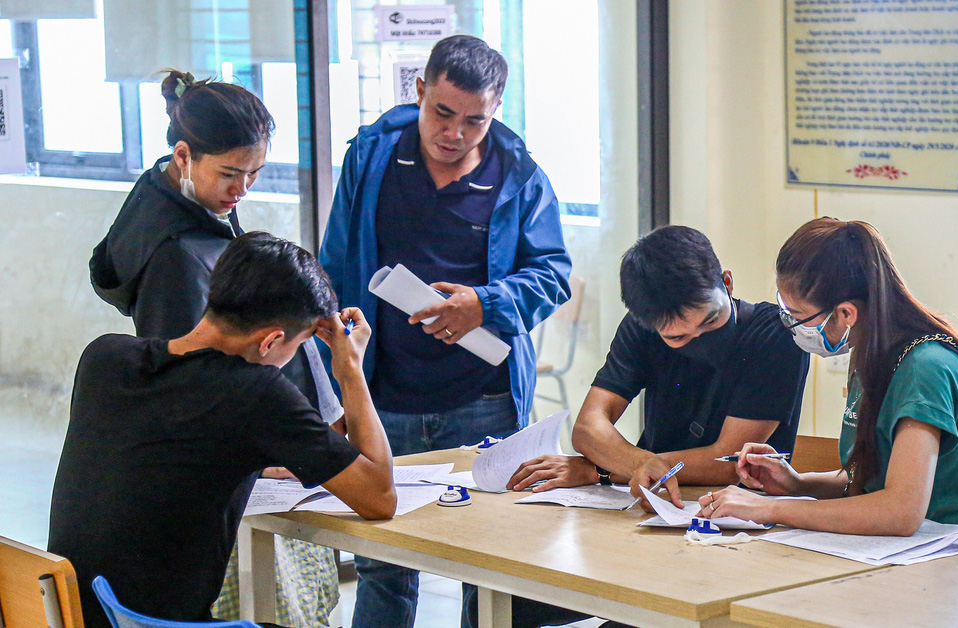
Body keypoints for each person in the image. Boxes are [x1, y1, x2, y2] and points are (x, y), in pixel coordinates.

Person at [318, 35, 571, 627]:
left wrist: (485, 304)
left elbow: (553, 274)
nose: (455, 132)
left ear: (496, 109)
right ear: (420, 91)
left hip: (484, 400)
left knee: (488, 566)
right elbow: (334, 264)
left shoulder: (521, 174)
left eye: (475, 120)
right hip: (384, 397)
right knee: (383, 564)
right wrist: (336, 381)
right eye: (443, 113)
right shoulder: (371, 156)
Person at [87, 70, 345, 623]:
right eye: (231, 173)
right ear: (183, 155)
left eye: (254, 172)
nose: (243, 189)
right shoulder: (176, 254)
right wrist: (267, 441)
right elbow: (199, 392)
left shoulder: (169, 198)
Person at [49, 232, 396, 628]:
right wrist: (350, 370)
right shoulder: (257, 394)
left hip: (75, 614)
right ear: (270, 342)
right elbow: (379, 497)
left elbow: (168, 448)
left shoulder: (104, 357)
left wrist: (254, 462)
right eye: (298, 344)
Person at [490, 225, 810, 628]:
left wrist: (604, 467)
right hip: (646, 516)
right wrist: (636, 466)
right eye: (677, 337)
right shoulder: (643, 329)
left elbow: (729, 460)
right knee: (507, 602)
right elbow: (589, 426)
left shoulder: (774, 335)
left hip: (734, 531)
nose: (697, 339)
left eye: (710, 322)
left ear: (726, 283)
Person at [697, 218, 958, 536]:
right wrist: (796, 483)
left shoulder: (925, 369)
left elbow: (900, 511)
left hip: (944, 554)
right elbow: (871, 482)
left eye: (796, 315)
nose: (790, 325)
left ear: (845, 314)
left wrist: (769, 508)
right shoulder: (873, 352)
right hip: (888, 550)